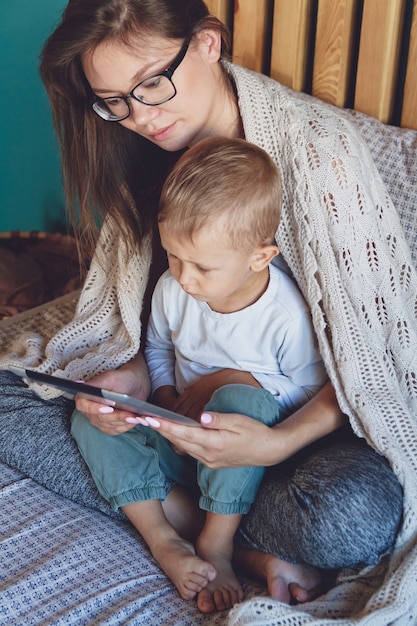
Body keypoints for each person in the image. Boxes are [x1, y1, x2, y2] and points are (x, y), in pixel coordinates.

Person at [0, 0, 412, 620]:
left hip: (296, 428)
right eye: (114, 100)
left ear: (208, 44)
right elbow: (136, 323)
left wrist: (274, 447)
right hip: (178, 411)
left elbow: (371, 366)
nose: (139, 116)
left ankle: (189, 515)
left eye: (151, 84)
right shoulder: (135, 154)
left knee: (352, 517)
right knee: (17, 394)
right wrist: (131, 380)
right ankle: (239, 546)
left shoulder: (320, 155)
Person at [72, 136, 329, 611]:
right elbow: (157, 347)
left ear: (260, 257)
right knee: (87, 414)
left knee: (242, 402)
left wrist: (225, 380)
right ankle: (162, 537)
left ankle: (217, 541)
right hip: (178, 432)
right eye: (173, 256)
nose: (185, 278)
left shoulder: (284, 315)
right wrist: (164, 394)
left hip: (239, 454)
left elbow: (311, 389)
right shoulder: (173, 289)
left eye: (202, 267)